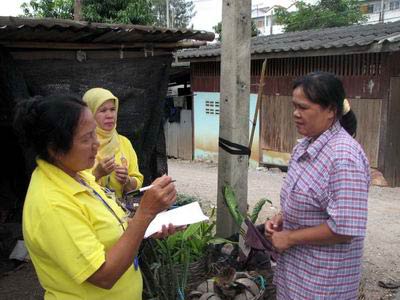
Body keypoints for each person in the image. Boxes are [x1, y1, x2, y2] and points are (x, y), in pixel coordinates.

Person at [14, 94, 177, 299]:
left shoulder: (78, 175)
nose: (97, 144)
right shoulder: (52, 205)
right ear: (55, 149)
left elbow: (107, 228)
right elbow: (103, 276)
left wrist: (148, 224)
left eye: (95, 133)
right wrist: (145, 213)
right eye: (86, 138)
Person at [265, 72, 370, 299]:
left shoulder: (343, 158)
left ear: (331, 111)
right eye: (294, 106)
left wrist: (290, 237)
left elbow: (345, 229)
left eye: (303, 108)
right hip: (295, 272)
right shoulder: (304, 147)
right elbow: (308, 197)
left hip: (323, 282)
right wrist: (282, 217)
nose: (295, 114)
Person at [82, 87, 143, 200]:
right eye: (103, 110)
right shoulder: (80, 144)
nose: (110, 115)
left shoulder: (124, 142)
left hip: (120, 211)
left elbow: (137, 181)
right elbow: (73, 184)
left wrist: (127, 180)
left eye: (112, 109)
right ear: (89, 113)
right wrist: (97, 173)